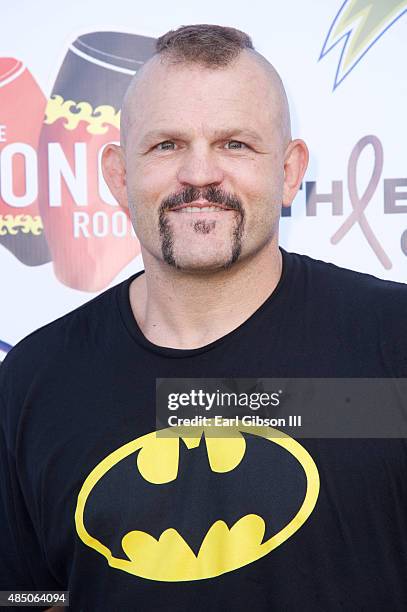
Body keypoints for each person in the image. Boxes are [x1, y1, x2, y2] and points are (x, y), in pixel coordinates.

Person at [1, 24, 407, 612]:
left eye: (235, 144)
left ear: (291, 171)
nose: (199, 174)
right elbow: (28, 597)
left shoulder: (392, 345)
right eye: (166, 145)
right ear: (118, 174)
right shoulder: (36, 378)